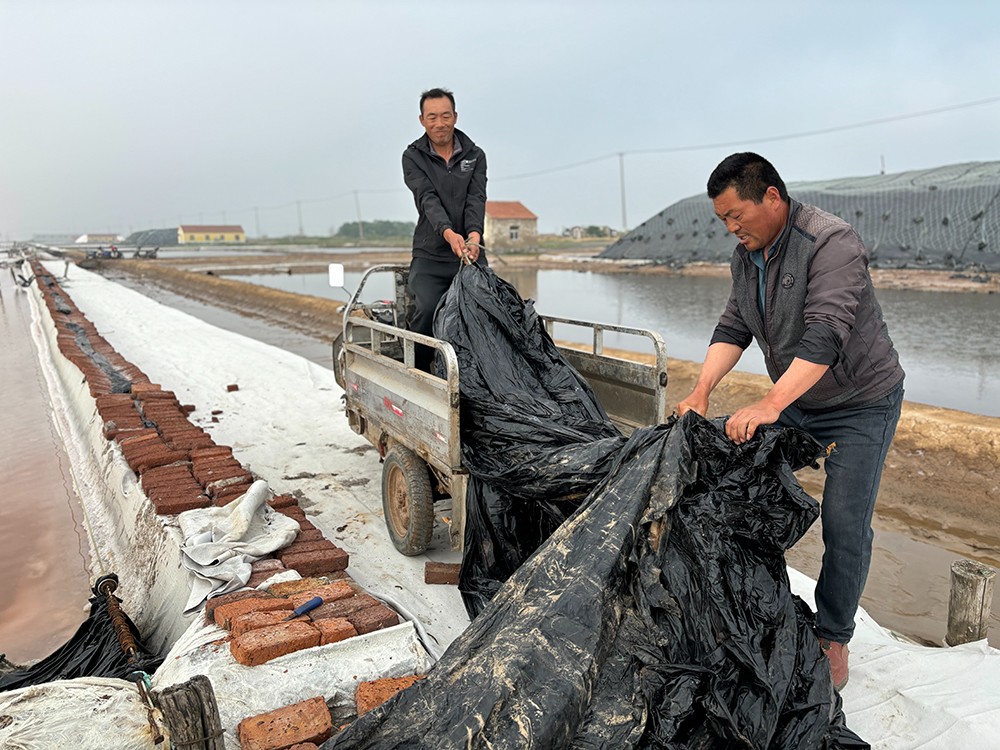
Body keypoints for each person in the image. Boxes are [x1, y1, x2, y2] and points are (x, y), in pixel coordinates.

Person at [677, 152, 904, 691]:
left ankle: (834, 637)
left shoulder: (830, 241)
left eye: (736, 216)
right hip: (798, 396)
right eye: (722, 220)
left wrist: (770, 405)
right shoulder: (745, 257)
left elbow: (826, 333)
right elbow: (732, 327)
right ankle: (746, 600)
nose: (731, 229)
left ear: (772, 197)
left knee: (845, 521)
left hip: (860, 402)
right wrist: (701, 391)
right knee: (735, 478)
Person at [402, 87, 487, 371]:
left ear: (455, 117)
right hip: (431, 254)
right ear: (422, 120)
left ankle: (477, 379)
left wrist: (474, 236)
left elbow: (476, 198)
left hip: (469, 254)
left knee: (486, 310)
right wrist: (448, 233)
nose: (440, 123)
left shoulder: (475, 155)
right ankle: (419, 374)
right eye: (432, 117)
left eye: (446, 116)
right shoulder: (413, 157)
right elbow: (427, 199)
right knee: (427, 310)